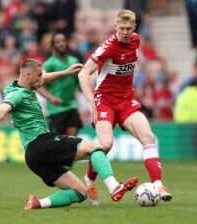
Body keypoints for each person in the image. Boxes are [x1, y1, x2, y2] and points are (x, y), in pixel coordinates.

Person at [0, 59, 138, 209]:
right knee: (95, 149)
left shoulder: (24, 85)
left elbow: (46, 78)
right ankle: (114, 187)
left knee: (80, 192)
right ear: (29, 75)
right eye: (39, 75)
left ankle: (38, 203)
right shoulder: (17, 94)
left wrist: (65, 72)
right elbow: (3, 108)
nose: (42, 78)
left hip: (33, 157)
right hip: (41, 143)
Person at [78, 9, 172, 206]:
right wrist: (91, 104)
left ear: (134, 28)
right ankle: (89, 181)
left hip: (126, 101)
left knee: (148, 137)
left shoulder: (137, 41)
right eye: (121, 28)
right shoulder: (108, 47)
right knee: (106, 145)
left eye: (129, 28)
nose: (125, 32)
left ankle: (158, 185)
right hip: (105, 101)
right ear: (115, 27)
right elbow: (83, 74)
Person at [38, 32, 82, 136]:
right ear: (53, 45)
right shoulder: (49, 64)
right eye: (58, 42)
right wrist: (51, 98)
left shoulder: (74, 61)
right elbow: (38, 86)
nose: (61, 44)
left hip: (72, 105)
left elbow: (79, 83)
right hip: (55, 109)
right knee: (59, 143)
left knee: (73, 140)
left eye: (63, 41)